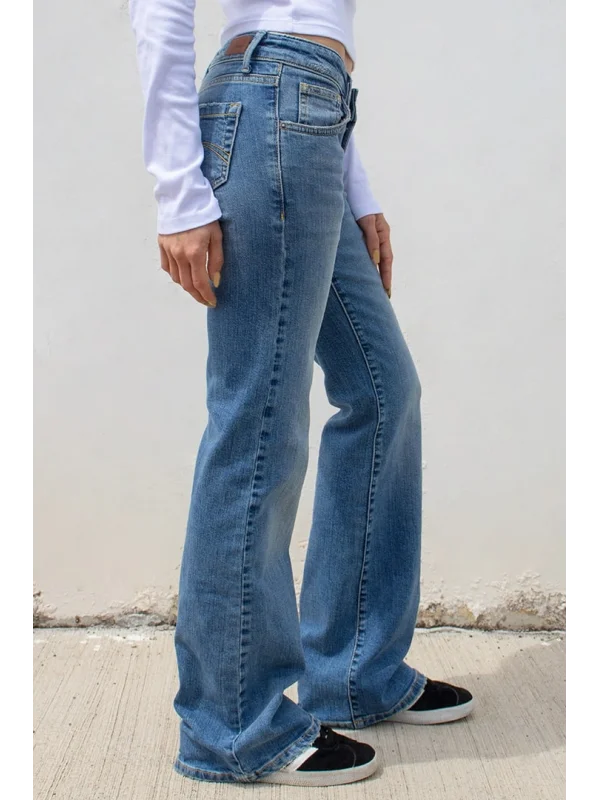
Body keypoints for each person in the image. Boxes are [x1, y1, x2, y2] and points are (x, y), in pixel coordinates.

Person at [128, 0, 474, 787]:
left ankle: (355, 673)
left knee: (384, 392)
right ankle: (231, 728)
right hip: (274, 110)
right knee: (257, 425)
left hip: (313, 120)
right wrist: (177, 192)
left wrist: (357, 187)